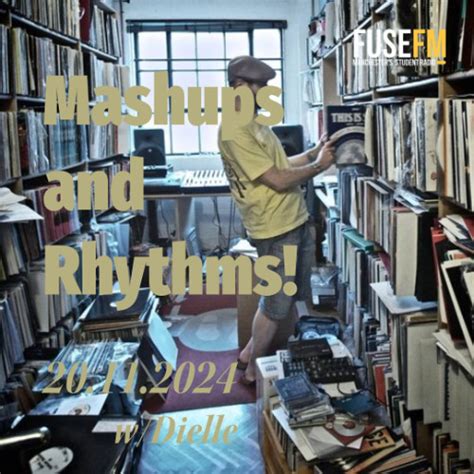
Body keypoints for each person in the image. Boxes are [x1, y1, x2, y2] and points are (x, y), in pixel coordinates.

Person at [218, 56, 335, 384]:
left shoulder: (253, 123)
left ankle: (248, 354)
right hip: (274, 227)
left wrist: (313, 153)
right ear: (240, 86)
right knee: (275, 306)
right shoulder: (235, 129)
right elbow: (278, 180)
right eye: (262, 87)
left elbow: (281, 166)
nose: (266, 93)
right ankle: (252, 371)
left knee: (285, 297)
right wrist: (319, 166)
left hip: (291, 220)